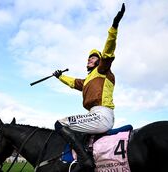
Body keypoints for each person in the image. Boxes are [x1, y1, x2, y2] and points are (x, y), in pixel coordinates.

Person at [53, 3, 125, 171]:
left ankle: (85, 161)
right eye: (89, 58)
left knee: (59, 124)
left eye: (93, 58)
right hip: (93, 115)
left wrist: (114, 27)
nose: (89, 59)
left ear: (99, 61)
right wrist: (59, 76)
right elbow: (72, 82)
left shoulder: (102, 70)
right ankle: (81, 159)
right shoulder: (87, 80)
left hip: (102, 115)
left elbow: (108, 50)